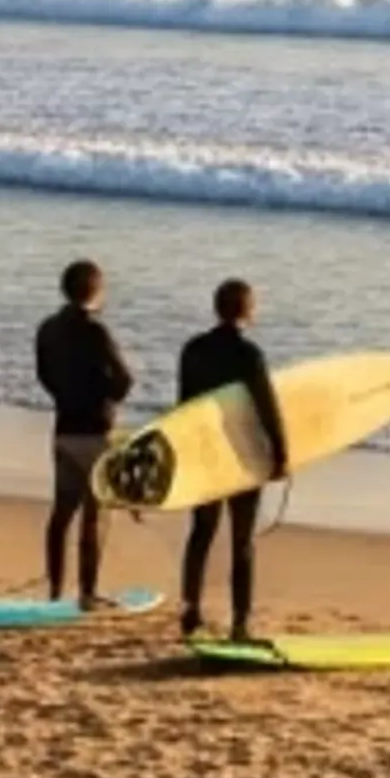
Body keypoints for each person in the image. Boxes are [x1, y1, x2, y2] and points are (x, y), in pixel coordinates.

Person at [176, 275, 293, 643]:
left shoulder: (192, 349)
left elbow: (184, 408)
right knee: (241, 542)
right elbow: (266, 408)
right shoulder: (249, 355)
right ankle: (240, 623)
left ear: (217, 309)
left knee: (201, 534)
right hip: (241, 456)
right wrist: (281, 455)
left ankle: (190, 612)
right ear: (248, 311)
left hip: (205, 453)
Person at [33, 257, 134, 607]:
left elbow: (44, 374)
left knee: (61, 512)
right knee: (96, 514)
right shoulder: (96, 330)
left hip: (64, 427)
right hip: (95, 429)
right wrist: (108, 399)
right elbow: (124, 378)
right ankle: (88, 593)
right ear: (96, 291)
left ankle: (55, 590)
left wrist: (65, 395)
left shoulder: (48, 328)